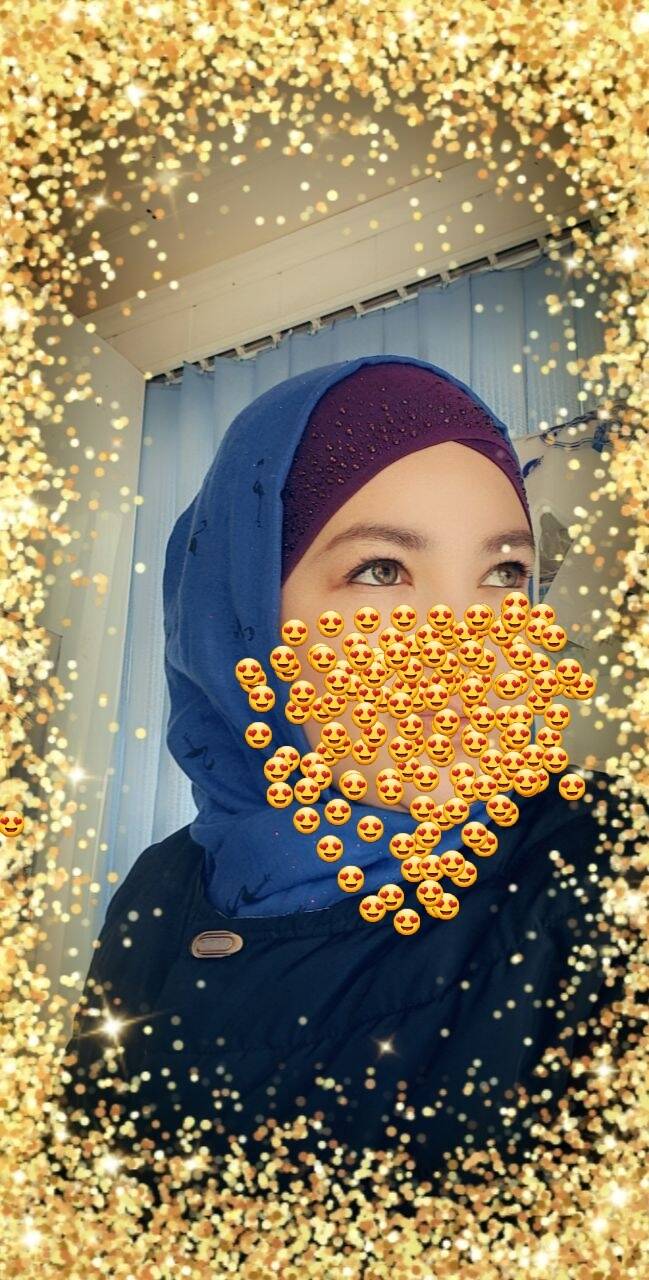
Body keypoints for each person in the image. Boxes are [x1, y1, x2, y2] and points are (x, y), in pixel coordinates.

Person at [60, 355, 632, 1189]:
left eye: (504, 575)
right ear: (245, 617)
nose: (465, 646)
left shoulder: (600, 862)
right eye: (381, 572)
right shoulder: (161, 886)